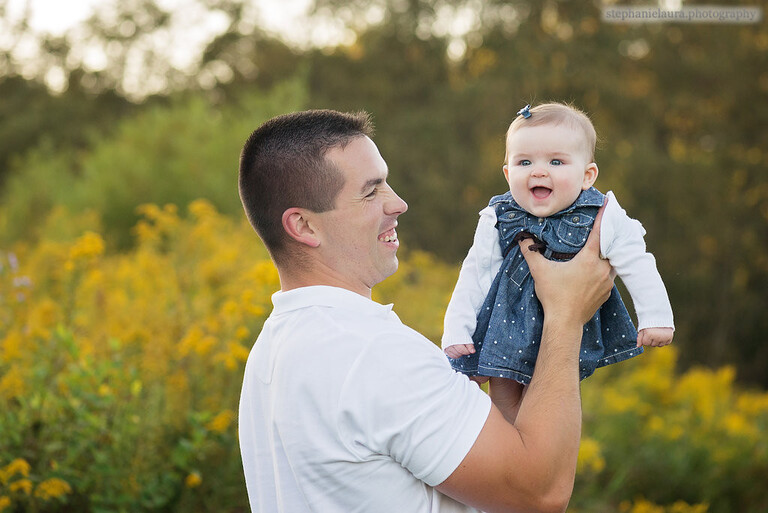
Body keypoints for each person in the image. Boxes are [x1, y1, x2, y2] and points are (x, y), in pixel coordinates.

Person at [237, 108, 616, 513]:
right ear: (304, 226)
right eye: (371, 191)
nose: (398, 203)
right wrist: (566, 315)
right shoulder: (372, 352)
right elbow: (539, 495)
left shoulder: (272, 351)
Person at [442, 102, 674, 412]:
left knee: (551, 400)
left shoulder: (602, 215)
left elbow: (637, 261)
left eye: (556, 161)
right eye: (524, 162)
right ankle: (508, 450)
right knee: (502, 400)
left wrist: (655, 317)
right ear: (508, 173)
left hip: (566, 331)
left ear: (587, 175)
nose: (538, 171)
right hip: (506, 323)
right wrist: (458, 328)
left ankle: (540, 451)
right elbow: (475, 273)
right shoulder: (499, 216)